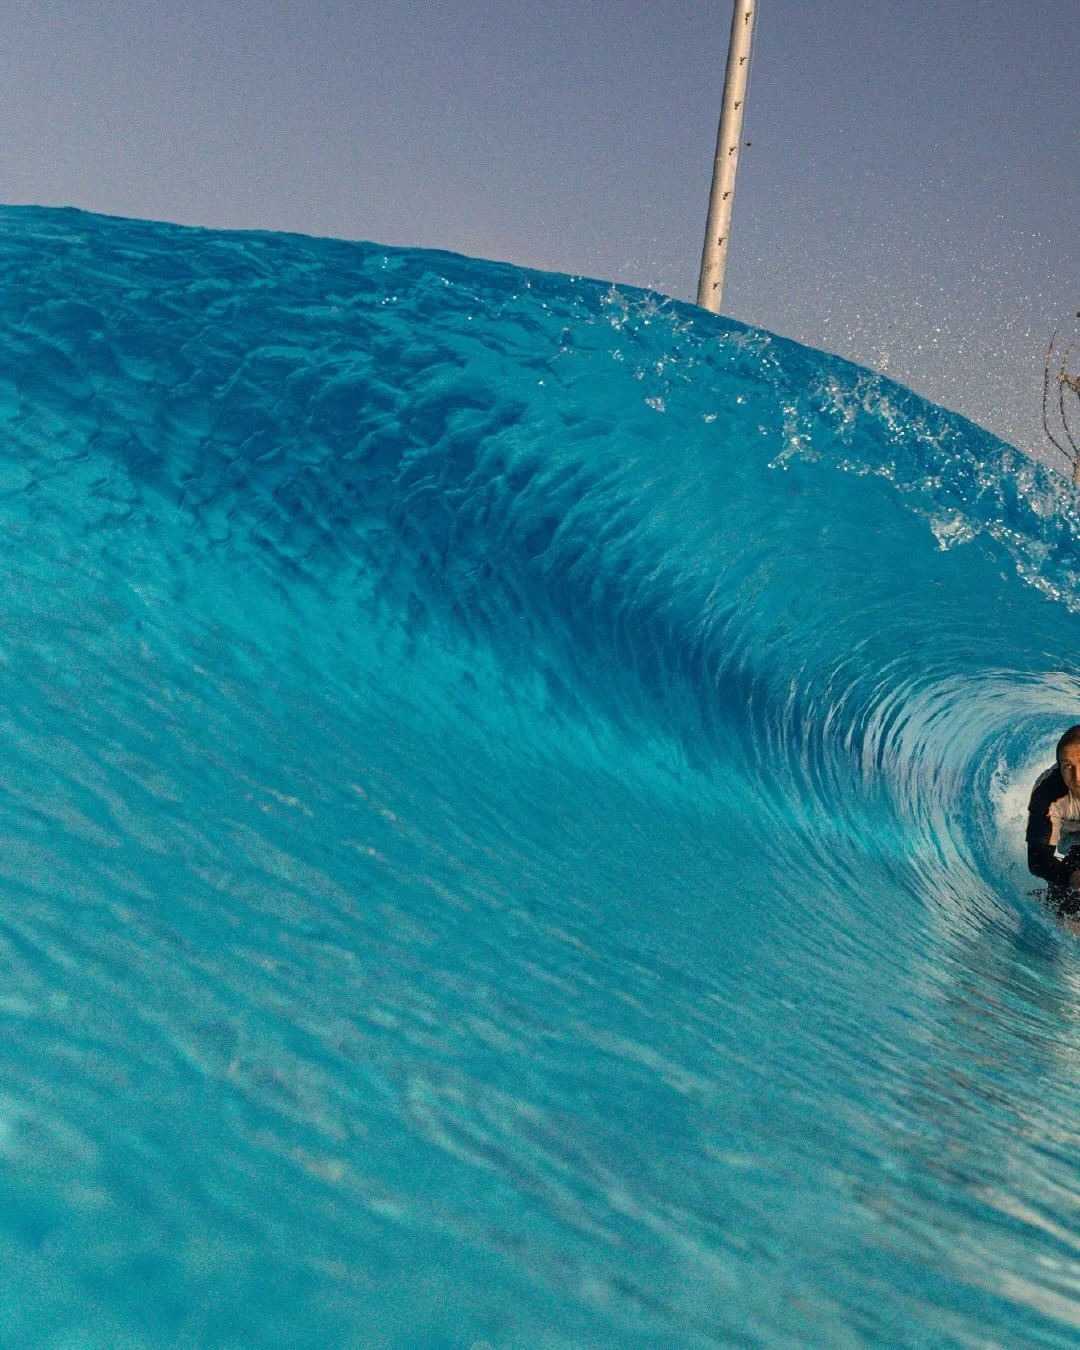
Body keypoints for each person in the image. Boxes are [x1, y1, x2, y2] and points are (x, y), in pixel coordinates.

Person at [1027, 724, 1080, 910]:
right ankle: (1048, 897)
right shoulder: (1047, 793)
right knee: (1067, 898)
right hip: (1071, 833)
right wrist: (1072, 878)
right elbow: (1037, 860)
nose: (1077, 777)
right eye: (1068, 766)